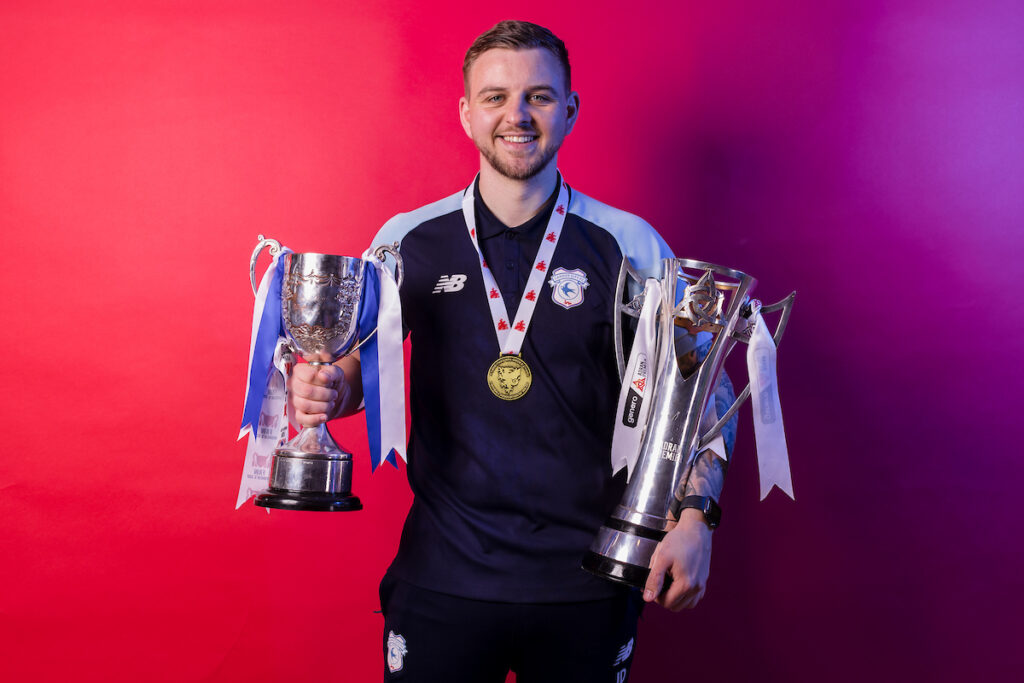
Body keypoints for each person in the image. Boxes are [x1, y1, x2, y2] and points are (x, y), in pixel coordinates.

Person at [288, 20, 732, 682]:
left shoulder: (630, 243)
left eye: (539, 96)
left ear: (571, 109)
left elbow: (698, 389)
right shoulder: (408, 240)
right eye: (495, 97)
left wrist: (698, 517)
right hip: (444, 576)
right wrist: (327, 390)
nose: (516, 115)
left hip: (590, 578)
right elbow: (357, 375)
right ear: (466, 114)